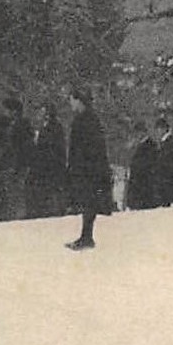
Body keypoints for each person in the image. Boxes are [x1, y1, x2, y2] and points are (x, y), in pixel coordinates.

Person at [64, 87, 113, 250]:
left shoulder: (86, 120)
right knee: (88, 203)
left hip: (88, 169)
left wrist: (79, 167)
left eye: (72, 100)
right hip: (89, 168)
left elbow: (87, 148)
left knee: (88, 202)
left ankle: (87, 237)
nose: (70, 104)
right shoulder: (89, 119)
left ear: (79, 100)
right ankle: (86, 236)